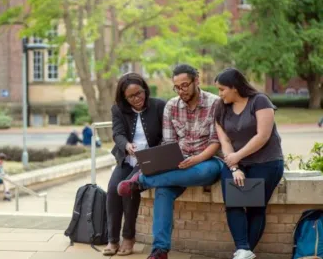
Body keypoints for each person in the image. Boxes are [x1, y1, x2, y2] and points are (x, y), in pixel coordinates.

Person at [117, 64, 222, 259]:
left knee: (202, 172)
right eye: (177, 87)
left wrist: (195, 160)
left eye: (185, 85)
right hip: (179, 163)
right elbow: (169, 143)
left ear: (196, 81)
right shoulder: (171, 107)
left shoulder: (215, 104)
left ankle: (140, 182)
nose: (181, 91)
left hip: (207, 160)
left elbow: (216, 142)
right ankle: (160, 250)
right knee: (163, 191)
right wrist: (170, 160)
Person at [214, 68, 284, 259]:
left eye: (222, 89)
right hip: (236, 162)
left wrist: (238, 156)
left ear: (234, 87)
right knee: (233, 202)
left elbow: (262, 136)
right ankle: (243, 249)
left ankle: (245, 253)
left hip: (266, 161)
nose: (219, 94)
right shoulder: (220, 107)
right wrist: (235, 166)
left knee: (256, 207)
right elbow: (225, 141)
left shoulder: (259, 101)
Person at [103, 72, 166, 256]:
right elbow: (117, 134)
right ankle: (112, 239)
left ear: (145, 89)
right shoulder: (118, 109)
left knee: (128, 189)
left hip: (150, 160)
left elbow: (166, 134)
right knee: (113, 189)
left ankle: (129, 237)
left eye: (139, 93)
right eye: (131, 96)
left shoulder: (159, 105)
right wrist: (127, 146)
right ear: (124, 97)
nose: (137, 98)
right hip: (127, 158)